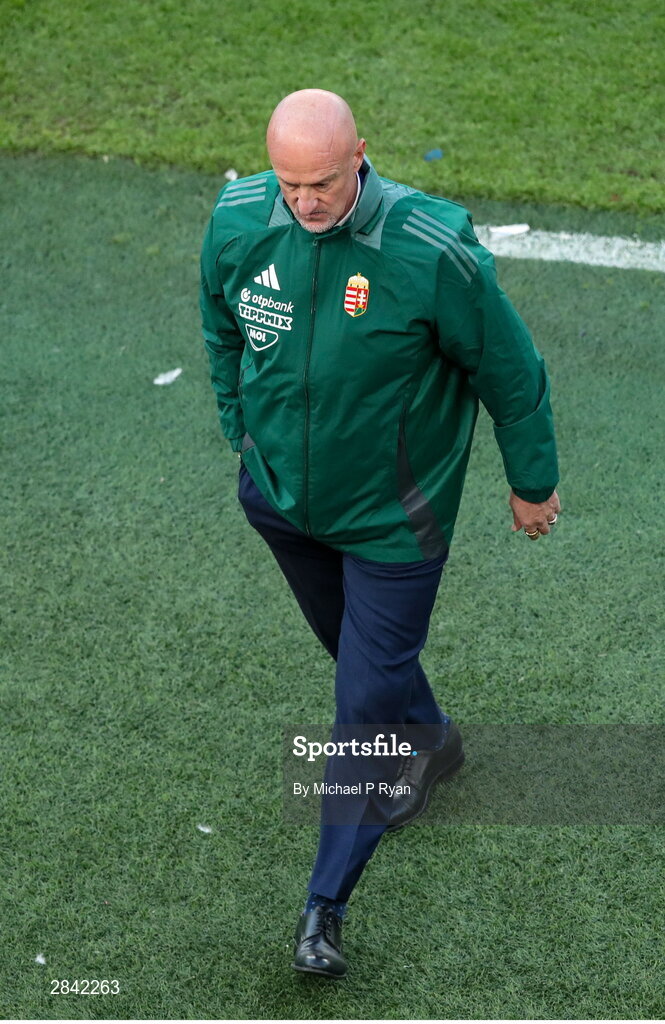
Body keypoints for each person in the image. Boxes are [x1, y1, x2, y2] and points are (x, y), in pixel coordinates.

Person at [200, 89, 560, 979]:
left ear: (360, 153)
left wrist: (532, 482)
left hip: (394, 526)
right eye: (289, 184)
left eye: (320, 182)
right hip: (282, 504)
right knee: (364, 664)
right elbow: (220, 326)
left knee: (360, 710)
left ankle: (324, 905)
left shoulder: (430, 248)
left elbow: (509, 369)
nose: (305, 202)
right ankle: (433, 738)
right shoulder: (240, 219)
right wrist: (240, 431)